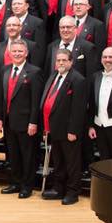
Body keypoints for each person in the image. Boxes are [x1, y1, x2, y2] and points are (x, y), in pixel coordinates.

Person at [0, 40, 43, 198]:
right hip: (8, 121)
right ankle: (15, 183)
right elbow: (1, 97)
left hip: (26, 122)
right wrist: (0, 118)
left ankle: (26, 186)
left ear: (26, 53)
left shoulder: (34, 72)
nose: (16, 54)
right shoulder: (5, 70)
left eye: (20, 51)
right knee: (13, 155)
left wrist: (33, 122)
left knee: (27, 156)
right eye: (14, 51)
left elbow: (36, 101)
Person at [40, 48, 87, 205]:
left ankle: (72, 192)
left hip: (68, 130)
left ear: (71, 62)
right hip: (54, 128)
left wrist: (73, 130)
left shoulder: (77, 80)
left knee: (72, 163)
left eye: (64, 60)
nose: (60, 63)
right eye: (58, 60)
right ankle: (58, 189)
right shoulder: (54, 76)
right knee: (58, 161)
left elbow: (78, 109)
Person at [45, 15, 99, 80]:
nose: (65, 30)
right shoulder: (52, 47)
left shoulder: (88, 47)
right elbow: (48, 73)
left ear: (76, 28)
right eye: (62, 27)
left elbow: (90, 76)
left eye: (68, 27)